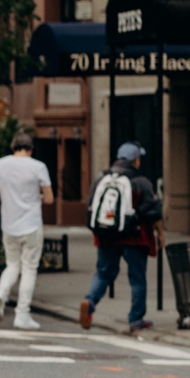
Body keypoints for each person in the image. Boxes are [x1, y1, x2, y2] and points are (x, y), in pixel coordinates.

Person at [80, 141, 163, 334]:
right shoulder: (140, 182)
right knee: (137, 279)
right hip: (134, 238)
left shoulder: (101, 178)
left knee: (103, 273)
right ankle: (136, 319)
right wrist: (161, 235)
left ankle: (89, 302)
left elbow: (91, 204)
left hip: (106, 236)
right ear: (135, 161)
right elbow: (153, 212)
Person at [0, 130, 55, 330]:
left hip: (9, 224)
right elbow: (49, 198)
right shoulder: (38, 167)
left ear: (13, 147)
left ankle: (1, 294)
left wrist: (4, 198)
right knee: (29, 269)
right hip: (31, 224)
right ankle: (22, 314)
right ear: (31, 148)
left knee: (12, 265)